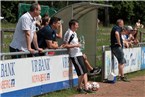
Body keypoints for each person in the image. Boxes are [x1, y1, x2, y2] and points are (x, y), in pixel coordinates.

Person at [62, 19, 94, 93]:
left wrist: (80, 50)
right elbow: (65, 45)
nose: (78, 26)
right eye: (76, 25)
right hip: (74, 55)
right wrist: (76, 45)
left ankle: (85, 87)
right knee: (82, 72)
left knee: (84, 71)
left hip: (78, 54)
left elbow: (76, 45)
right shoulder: (68, 33)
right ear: (72, 25)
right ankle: (79, 88)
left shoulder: (74, 33)